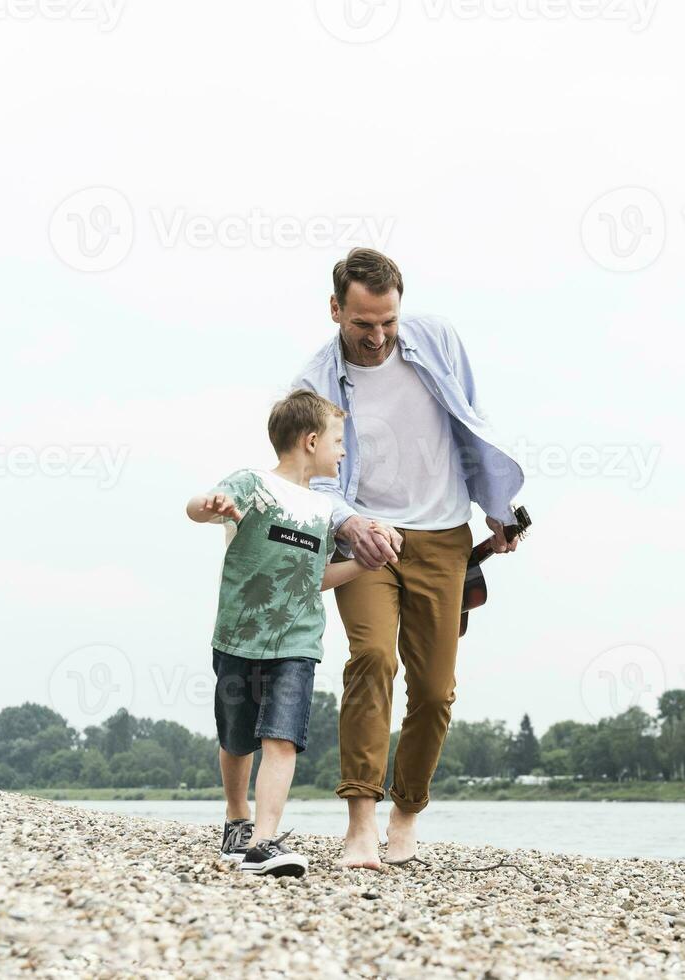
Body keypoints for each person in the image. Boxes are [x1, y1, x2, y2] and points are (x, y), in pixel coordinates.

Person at [292, 248, 526, 869]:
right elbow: (314, 479)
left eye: (387, 322)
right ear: (336, 308)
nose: (377, 337)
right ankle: (360, 825)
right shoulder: (314, 384)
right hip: (366, 538)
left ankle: (406, 815)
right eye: (362, 324)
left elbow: (471, 424)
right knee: (372, 657)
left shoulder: (437, 339)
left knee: (434, 690)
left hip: (444, 535)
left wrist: (498, 510)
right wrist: (351, 522)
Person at [185, 388, 370, 877]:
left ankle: (263, 844)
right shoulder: (252, 483)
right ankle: (237, 818)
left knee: (282, 738)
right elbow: (194, 509)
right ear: (310, 441)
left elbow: (317, 577)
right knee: (237, 737)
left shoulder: (323, 511)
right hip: (238, 638)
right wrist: (212, 504)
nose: (343, 450)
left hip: (297, 644)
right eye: (337, 440)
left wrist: (362, 564)